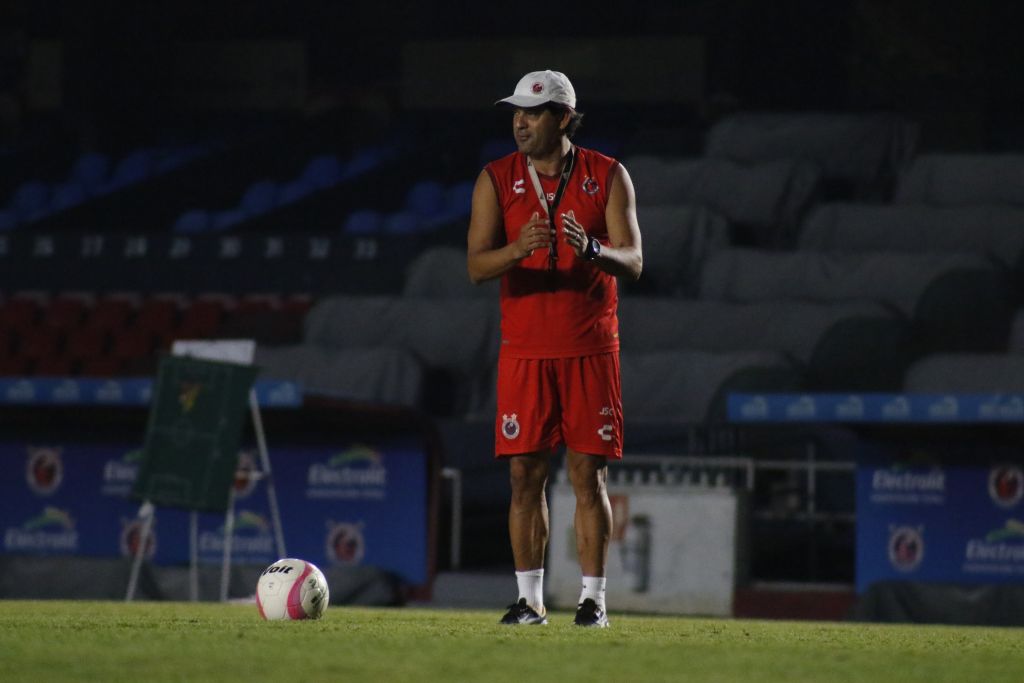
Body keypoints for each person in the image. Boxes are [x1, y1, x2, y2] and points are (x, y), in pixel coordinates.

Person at [466, 70, 642, 628]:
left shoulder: (608, 174)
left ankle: (593, 600)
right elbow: (475, 266)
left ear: (563, 118)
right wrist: (517, 249)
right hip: (525, 351)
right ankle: (529, 601)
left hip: (590, 348)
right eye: (515, 111)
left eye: (533, 112)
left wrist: (593, 249)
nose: (520, 121)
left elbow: (635, 260)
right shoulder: (494, 179)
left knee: (588, 475)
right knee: (524, 476)